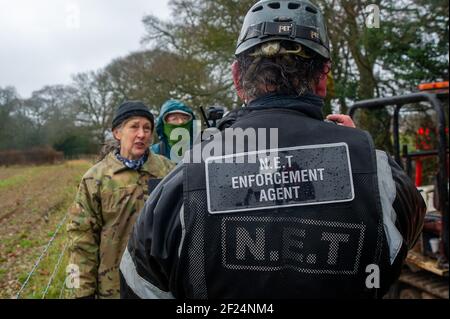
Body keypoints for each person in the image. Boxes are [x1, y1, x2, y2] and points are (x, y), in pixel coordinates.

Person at [120, 0, 425, 299]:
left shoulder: (184, 182)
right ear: (323, 80)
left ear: (238, 78)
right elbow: (400, 243)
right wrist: (359, 152)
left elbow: (141, 285)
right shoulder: (380, 174)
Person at [66, 101, 175, 299]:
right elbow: (80, 241)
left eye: (147, 128)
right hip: (113, 289)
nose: (141, 134)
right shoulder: (94, 178)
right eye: (134, 126)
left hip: (159, 289)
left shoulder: (169, 172)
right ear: (117, 132)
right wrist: (80, 292)